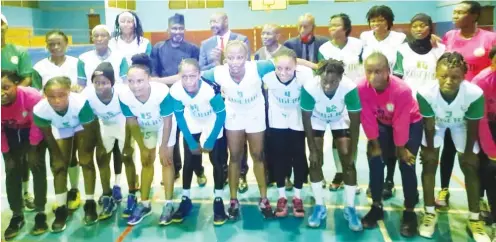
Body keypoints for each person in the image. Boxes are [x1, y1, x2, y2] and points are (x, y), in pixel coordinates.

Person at [417, 52, 490, 242]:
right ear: (436, 74)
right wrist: (431, 148)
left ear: (464, 76)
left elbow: (473, 125)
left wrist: (467, 153)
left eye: (455, 77)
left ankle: (474, 218)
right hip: (437, 124)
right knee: (429, 163)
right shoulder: (425, 92)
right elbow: (429, 124)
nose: (449, 81)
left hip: (462, 125)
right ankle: (430, 212)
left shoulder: (474, 93)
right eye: (443, 76)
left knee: (470, 166)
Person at [201, 40, 276, 219]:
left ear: (247, 57)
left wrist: (319, 67)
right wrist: (155, 80)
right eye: (231, 58)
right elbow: (190, 74)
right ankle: (233, 200)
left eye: (240, 57)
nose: (235, 62)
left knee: (257, 155)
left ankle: (264, 198)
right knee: (234, 156)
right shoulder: (217, 72)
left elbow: (289, 61)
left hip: (255, 113)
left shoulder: (259, 67)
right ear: (225, 58)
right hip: (234, 113)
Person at [436, 1, 496, 211]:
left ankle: (479, 196)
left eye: (460, 12)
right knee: (449, 149)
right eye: (454, 11)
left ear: (474, 16)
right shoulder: (449, 37)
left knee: (478, 154)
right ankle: (443, 189)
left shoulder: (489, 38)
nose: (455, 15)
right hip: (453, 101)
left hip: (478, 104)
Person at [358, 53, 421, 237]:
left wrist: (401, 149)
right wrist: (375, 144)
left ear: (387, 72)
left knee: (406, 163)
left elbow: (401, 122)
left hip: (410, 123)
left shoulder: (401, 90)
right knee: (375, 160)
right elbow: (367, 118)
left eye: (378, 72)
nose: (372, 76)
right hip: (382, 124)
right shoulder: (361, 87)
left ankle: (410, 211)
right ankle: (376, 206)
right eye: (369, 71)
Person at [301, 59, 362, 231]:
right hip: (317, 119)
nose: (328, 86)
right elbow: (306, 119)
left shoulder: (349, 88)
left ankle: (350, 208)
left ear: (341, 78)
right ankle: (319, 206)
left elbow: (355, 124)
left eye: (333, 82)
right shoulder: (310, 87)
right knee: (314, 161)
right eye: (324, 81)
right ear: (319, 77)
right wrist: (312, 149)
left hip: (339, 118)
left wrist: (353, 152)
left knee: (348, 162)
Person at [119, 54, 177, 226]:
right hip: (145, 126)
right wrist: (142, 146)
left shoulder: (162, 92)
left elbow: (167, 121)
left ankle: (168, 204)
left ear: (149, 79)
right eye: (131, 81)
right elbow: (131, 122)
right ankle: (144, 204)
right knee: (146, 161)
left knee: (166, 161)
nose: (135, 86)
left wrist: (164, 146)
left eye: (140, 81)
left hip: (164, 126)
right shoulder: (124, 96)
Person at [33, 76, 98, 231]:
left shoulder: (81, 104)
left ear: (68, 92)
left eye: (61, 95)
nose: (56, 101)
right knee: (58, 167)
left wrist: (85, 153)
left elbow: (89, 134)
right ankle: (62, 209)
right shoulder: (40, 110)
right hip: (62, 127)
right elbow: (49, 138)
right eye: (51, 97)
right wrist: (58, 158)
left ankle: (90, 204)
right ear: (45, 95)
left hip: (83, 125)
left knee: (86, 161)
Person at [170, 58, 229, 225]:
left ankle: (218, 200)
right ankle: (186, 198)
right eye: (184, 77)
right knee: (189, 161)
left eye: (192, 76)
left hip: (211, 120)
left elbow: (221, 115)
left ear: (199, 75)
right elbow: (180, 116)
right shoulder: (176, 91)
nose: (188, 81)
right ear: (179, 76)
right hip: (192, 119)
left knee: (217, 161)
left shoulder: (209, 89)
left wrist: (210, 139)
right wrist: (189, 140)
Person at [151, 13, 205, 183]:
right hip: (167, 100)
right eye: (174, 28)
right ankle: (174, 169)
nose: (177, 31)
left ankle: (198, 170)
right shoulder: (158, 48)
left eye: (180, 28)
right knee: (170, 135)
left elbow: (187, 75)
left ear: (185, 30)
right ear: (168, 30)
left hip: (188, 100)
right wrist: (161, 82)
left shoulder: (192, 49)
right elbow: (153, 74)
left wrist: (161, 80)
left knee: (191, 137)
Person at [200, 12, 250, 192]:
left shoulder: (242, 39)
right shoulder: (205, 44)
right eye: (210, 21)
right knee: (220, 140)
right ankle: (223, 172)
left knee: (239, 139)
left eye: (216, 20)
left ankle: (242, 174)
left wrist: (223, 60)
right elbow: (201, 71)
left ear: (226, 21)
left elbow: (247, 65)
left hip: (237, 98)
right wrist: (215, 62)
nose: (212, 24)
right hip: (215, 99)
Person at [360, 5, 407, 200]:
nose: (376, 23)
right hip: (371, 95)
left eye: (380, 19)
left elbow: (403, 63)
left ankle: (389, 180)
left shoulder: (400, 39)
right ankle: (374, 181)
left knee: (392, 143)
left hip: (391, 94)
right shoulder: (364, 37)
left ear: (388, 22)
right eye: (373, 20)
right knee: (373, 142)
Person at [82, 62, 137, 220]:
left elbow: (130, 118)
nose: (100, 86)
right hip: (105, 126)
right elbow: (90, 121)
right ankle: (107, 195)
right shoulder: (87, 95)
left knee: (127, 157)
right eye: (97, 82)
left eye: (104, 82)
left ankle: (132, 193)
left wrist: (127, 144)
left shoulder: (123, 93)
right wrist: (98, 143)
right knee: (101, 158)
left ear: (112, 82)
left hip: (123, 125)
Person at [262, 49, 312, 218]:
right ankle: (282, 196)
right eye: (279, 68)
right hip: (277, 124)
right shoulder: (267, 75)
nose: (283, 73)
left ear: (296, 66)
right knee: (279, 159)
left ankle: (297, 197)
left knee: (298, 158)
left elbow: (321, 70)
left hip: (297, 123)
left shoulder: (304, 76)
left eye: (288, 69)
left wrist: (309, 63)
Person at [317, 13, 364, 192]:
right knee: (337, 139)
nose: (331, 28)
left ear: (345, 28)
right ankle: (339, 172)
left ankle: (350, 172)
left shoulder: (359, 45)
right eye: (330, 25)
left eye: (336, 25)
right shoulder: (324, 49)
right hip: (333, 99)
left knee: (351, 138)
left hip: (353, 98)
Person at [2, 71, 48, 239]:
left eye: (6, 87)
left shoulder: (31, 96)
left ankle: (40, 212)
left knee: (36, 165)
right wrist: (7, 155)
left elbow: (37, 124)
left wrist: (34, 149)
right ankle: (17, 215)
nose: (2, 92)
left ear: (16, 85)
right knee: (11, 170)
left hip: (33, 130)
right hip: (10, 131)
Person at [1, 14, 37, 209]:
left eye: (1, 23)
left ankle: (25, 192)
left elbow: (27, 79)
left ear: (6, 26)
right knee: (8, 159)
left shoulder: (18, 52)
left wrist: (11, 100)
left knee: (21, 157)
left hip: (18, 116)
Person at [254, 23, 293, 189]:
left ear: (278, 36)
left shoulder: (287, 53)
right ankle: (270, 174)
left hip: (283, 105)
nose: (265, 36)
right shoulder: (258, 54)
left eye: (269, 33)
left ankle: (285, 176)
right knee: (267, 142)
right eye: (263, 33)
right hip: (264, 104)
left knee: (284, 142)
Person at [472, 46, 496, 240]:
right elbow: (480, 119)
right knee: (488, 169)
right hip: (486, 128)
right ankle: (482, 204)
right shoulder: (481, 81)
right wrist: (491, 151)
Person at [393, 13, 445, 96]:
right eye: (414, 26)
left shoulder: (440, 49)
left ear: (430, 28)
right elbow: (397, 76)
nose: (418, 29)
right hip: (409, 97)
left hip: (432, 97)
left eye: (422, 26)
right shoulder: (402, 49)